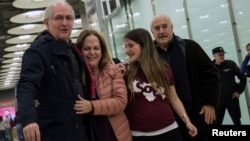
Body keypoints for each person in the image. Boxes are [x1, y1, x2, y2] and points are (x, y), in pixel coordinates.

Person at [16, 1, 92, 141]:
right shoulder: (37, 52)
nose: (65, 23)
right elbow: (27, 85)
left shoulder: (74, 50)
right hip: (54, 132)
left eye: (69, 18)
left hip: (80, 130)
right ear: (47, 22)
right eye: (58, 18)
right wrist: (28, 119)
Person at [150, 14, 220, 141]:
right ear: (152, 32)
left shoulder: (189, 47)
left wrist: (210, 103)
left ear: (172, 28)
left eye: (165, 26)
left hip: (199, 112)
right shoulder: (150, 57)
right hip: (169, 118)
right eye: (157, 28)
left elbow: (211, 74)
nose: (161, 31)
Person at [123, 28, 197, 141]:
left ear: (144, 45)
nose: (127, 50)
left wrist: (187, 120)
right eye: (126, 46)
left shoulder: (163, 69)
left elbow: (174, 98)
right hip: (140, 134)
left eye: (131, 45)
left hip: (169, 130)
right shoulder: (126, 72)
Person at [74, 29, 132, 141]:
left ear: (102, 50)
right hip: (87, 133)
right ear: (79, 51)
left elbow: (121, 101)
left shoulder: (113, 70)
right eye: (87, 49)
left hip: (114, 133)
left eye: (96, 48)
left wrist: (91, 106)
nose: (92, 52)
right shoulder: (74, 76)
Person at [212, 46, 246, 125]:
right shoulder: (211, 68)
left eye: (223, 54)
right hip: (218, 101)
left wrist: (238, 91)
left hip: (232, 99)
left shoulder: (230, 64)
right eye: (219, 54)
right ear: (214, 55)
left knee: (237, 121)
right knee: (216, 123)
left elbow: (243, 78)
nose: (222, 56)